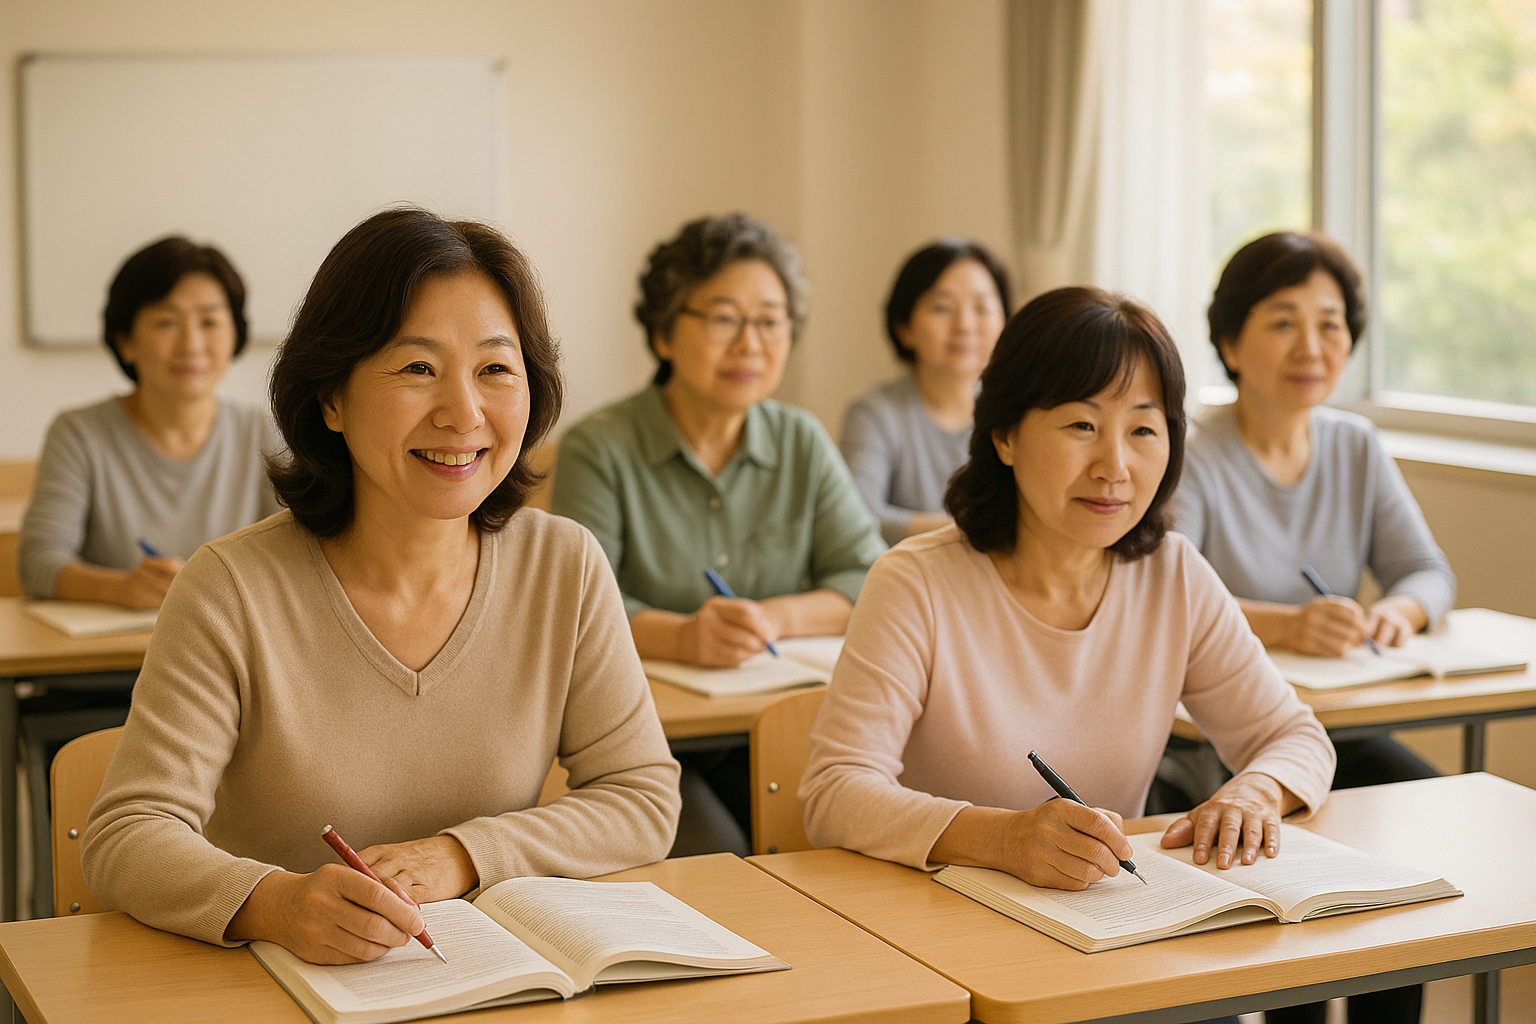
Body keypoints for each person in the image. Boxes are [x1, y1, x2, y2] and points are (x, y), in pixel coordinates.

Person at [83, 208, 680, 964]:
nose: (462, 413)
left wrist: (466, 855)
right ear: (331, 397)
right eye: (417, 368)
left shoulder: (564, 563)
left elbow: (642, 797)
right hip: (280, 988)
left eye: (496, 369)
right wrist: (271, 903)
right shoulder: (230, 587)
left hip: (490, 979)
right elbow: (126, 834)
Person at [800, 286, 1335, 905]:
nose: (1114, 466)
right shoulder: (915, 582)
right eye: (1082, 425)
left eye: (1142, 428)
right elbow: (835, 791)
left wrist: (1255, 792)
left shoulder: (1173, 575)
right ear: (1005, 436)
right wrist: (1001, 838)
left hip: (1113, 921)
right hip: (943, 924)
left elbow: (1294, 736)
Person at [1171, 231, 1454, 1024]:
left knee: (1422, 822)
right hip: (1223, 742)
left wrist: (1394, 614)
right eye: (1284, 321)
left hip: (1342, 727)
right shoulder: (1192, 451)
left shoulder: (1354, 444)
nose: (1313, 346)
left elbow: (1428, 573)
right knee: (1290, 852)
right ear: (1230, 339)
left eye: (1331, 324)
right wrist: (1288, 625)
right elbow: (1171, 593)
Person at [552, 212, 885, 854]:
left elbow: (867, 575)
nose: (750, 344)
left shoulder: (800, 440)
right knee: (725, 859)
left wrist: (772, 618)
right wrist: (684, 635)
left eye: (770, 321)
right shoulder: (601, 447)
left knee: (821, 852)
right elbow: (574, 610)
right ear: (664, 332)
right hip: (651, 741)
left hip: (787, 726)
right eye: (725, 318)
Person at [19, 236, 281, 609]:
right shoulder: (79, 434)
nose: (191, 344)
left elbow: (303, 556)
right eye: (166, 322)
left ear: (234, 334)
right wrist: (122, 588)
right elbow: (38, 562)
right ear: (126, 340)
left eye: (209, 321)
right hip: (113, 654)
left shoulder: (264, 433)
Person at [840, 239, 1010, 544]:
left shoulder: (1019, 410)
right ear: (904, 326)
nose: (965, 325)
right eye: (943, 308)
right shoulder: (875, 412)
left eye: (982, 307)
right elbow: (854, 516)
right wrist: (967, 530)